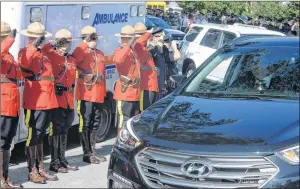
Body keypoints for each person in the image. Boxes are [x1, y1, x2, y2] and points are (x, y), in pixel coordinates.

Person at [18, 22, 58, 183]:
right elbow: (25, 62)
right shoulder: (25, 51)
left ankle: (40, 168)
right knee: (33, 135)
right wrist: (34, 44)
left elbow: (50, 50)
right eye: (37, 38)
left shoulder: (43, 53)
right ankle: (32, 170)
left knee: (41, 134)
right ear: (31, 38)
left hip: (47, 98)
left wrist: (52, 43)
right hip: (35, 100)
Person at [43, 29, 80, 173]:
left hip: (69, 98)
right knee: (56, 130)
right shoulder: (52, 56)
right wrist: (54, 43)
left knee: (65, 129)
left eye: (69, 42)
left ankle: (63, 159)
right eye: (64, 42)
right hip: (57, 100)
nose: (67, 45)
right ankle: (54, 162)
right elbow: (45, 50)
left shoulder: (71, 59)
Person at [74, 26, 108, 165]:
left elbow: (103, 73)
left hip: (98, 92)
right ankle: (86, 153)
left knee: (95, 122)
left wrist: (104, 92)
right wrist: (84, 43)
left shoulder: (99, 53)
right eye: (92, 39)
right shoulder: (81, 51)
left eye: (95, 39)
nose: (95, 42)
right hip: (86, 92)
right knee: (85, 122)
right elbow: (75, 58)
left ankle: (93, 150)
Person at [110, 25, 148, 130]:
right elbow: (118, 60)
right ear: (126, 39)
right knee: (123, 122)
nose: (135, 40)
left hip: (134, 91)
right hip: (125, 91)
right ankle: (120, 144)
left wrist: (149, 33)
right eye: (132, 38)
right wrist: (128, 45)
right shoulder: (120, 50)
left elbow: (142, 41)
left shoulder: (132, 51)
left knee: (132, 122)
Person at [1, 22, 23, 188]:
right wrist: (9, 40)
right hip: (4, 103)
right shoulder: (3, 53)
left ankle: (5, 176)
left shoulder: (9, 55)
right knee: (2, 142)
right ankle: (2, 179)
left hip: (12, 103)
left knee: (7, 141)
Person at [134, 23, 160, 111]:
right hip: (145, 86)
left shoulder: (144, 48)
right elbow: (139, 42)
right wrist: (148, 33)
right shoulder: (137, 46)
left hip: (151, 85)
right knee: (143, 111)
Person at [148, 31, 167, 100]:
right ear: (153, 37)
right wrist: (160, 42)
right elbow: (154, 53)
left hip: (161, 84)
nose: (160, 38)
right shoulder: (150, 48)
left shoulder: (161, 48)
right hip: (154, 84)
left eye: (161, 36)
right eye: (158, 36)